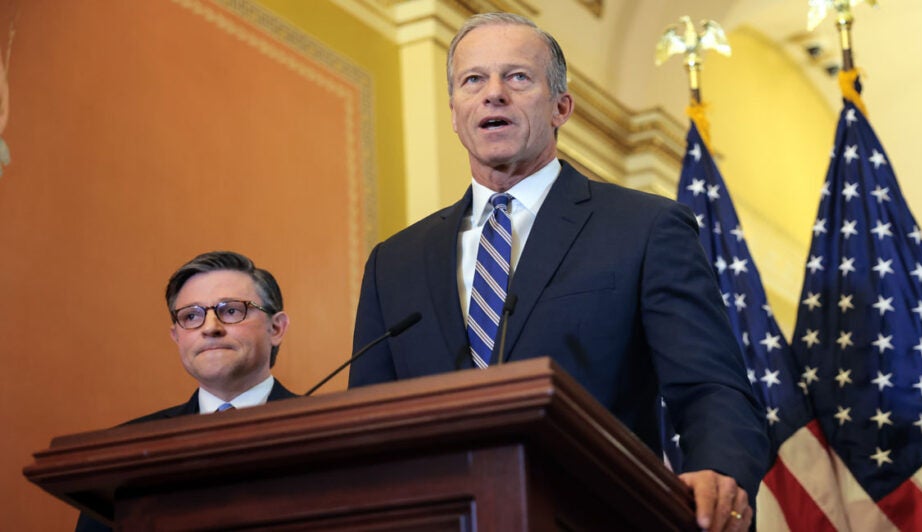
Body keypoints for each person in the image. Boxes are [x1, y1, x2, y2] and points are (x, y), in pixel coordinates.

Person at [349, 12, 768, 531]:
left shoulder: (644, 227)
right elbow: (367, 419)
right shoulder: (395, 263)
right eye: (473, 80)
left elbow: (709, 387)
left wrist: (719, 470)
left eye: (518, 77)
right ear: (455, 113)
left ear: (560, 107)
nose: (493, 94)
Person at [75, 251, 296, 531]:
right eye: (192, 316)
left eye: (231, 310)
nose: (210, 328)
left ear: (276, 327)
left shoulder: (324, 432)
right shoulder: (123, 453)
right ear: (177, 337)